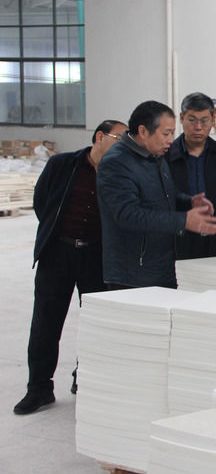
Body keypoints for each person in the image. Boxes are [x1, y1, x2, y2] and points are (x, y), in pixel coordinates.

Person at [14, 120, 127, 415]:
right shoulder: (63, 164)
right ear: (99, 137)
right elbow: (42, 201)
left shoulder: (120, 172)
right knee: (46, 323)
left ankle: (84, 377)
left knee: (93, 323)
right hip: (58, 253)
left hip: (96, 257)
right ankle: (39, 388)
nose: (124, 145)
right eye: (119, 138)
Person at [97, 100, 216, 289]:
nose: (171, 140)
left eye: (172, 133)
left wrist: (189, 202)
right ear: (143, 131)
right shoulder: (116, 163)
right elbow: (127, 214)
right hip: (131, 273)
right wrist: (184, 221)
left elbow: (163, 195)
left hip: (162, 265)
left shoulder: (154, 155)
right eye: (166, 133)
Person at [167, 92, 216, 259]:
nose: (198, 127)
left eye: (204, 120)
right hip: (178, 241)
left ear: (213, 120)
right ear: (181, 118)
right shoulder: (166, 157)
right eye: (192, 120)